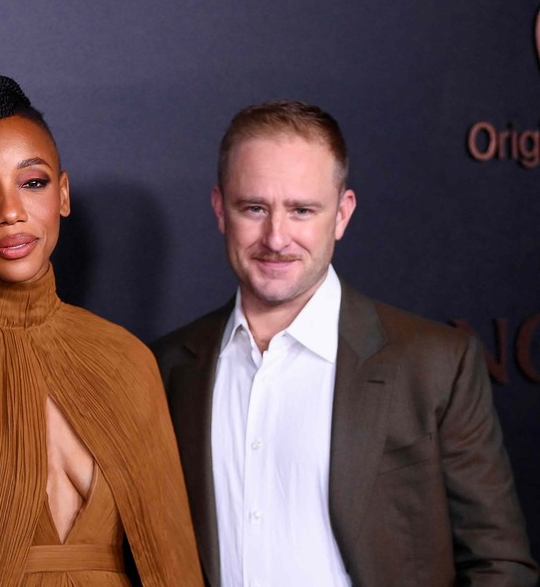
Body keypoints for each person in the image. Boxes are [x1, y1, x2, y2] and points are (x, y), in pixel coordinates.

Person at [152, 99, 538, 586]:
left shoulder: (436, 364)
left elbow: (497, 564)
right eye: (254, 208)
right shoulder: (166, 369)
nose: (276, 237)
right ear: (219, 210)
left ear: (341, 214)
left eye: (302, 210)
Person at [0, 75, 204, 586]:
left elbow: (171, 559)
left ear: (63, 194)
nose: (10, 212)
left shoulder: (127, 360)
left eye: (32, 182)